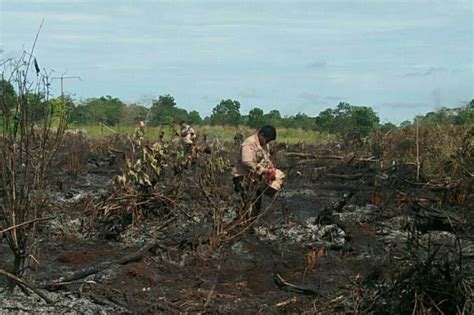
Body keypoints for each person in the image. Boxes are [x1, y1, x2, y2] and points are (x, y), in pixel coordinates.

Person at [232, 125, 282, 217]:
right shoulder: (249, 143)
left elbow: (266, 159)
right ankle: (243, 226)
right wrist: (264, 170)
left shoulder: (265, 144)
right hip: (242, 177)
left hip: (255, 178)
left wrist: (271, 168)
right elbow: (247, 162)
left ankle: (249, 226)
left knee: (256, 205)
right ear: (261, 135)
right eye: (267, 140)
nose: (268, 142)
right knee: (247, 205)